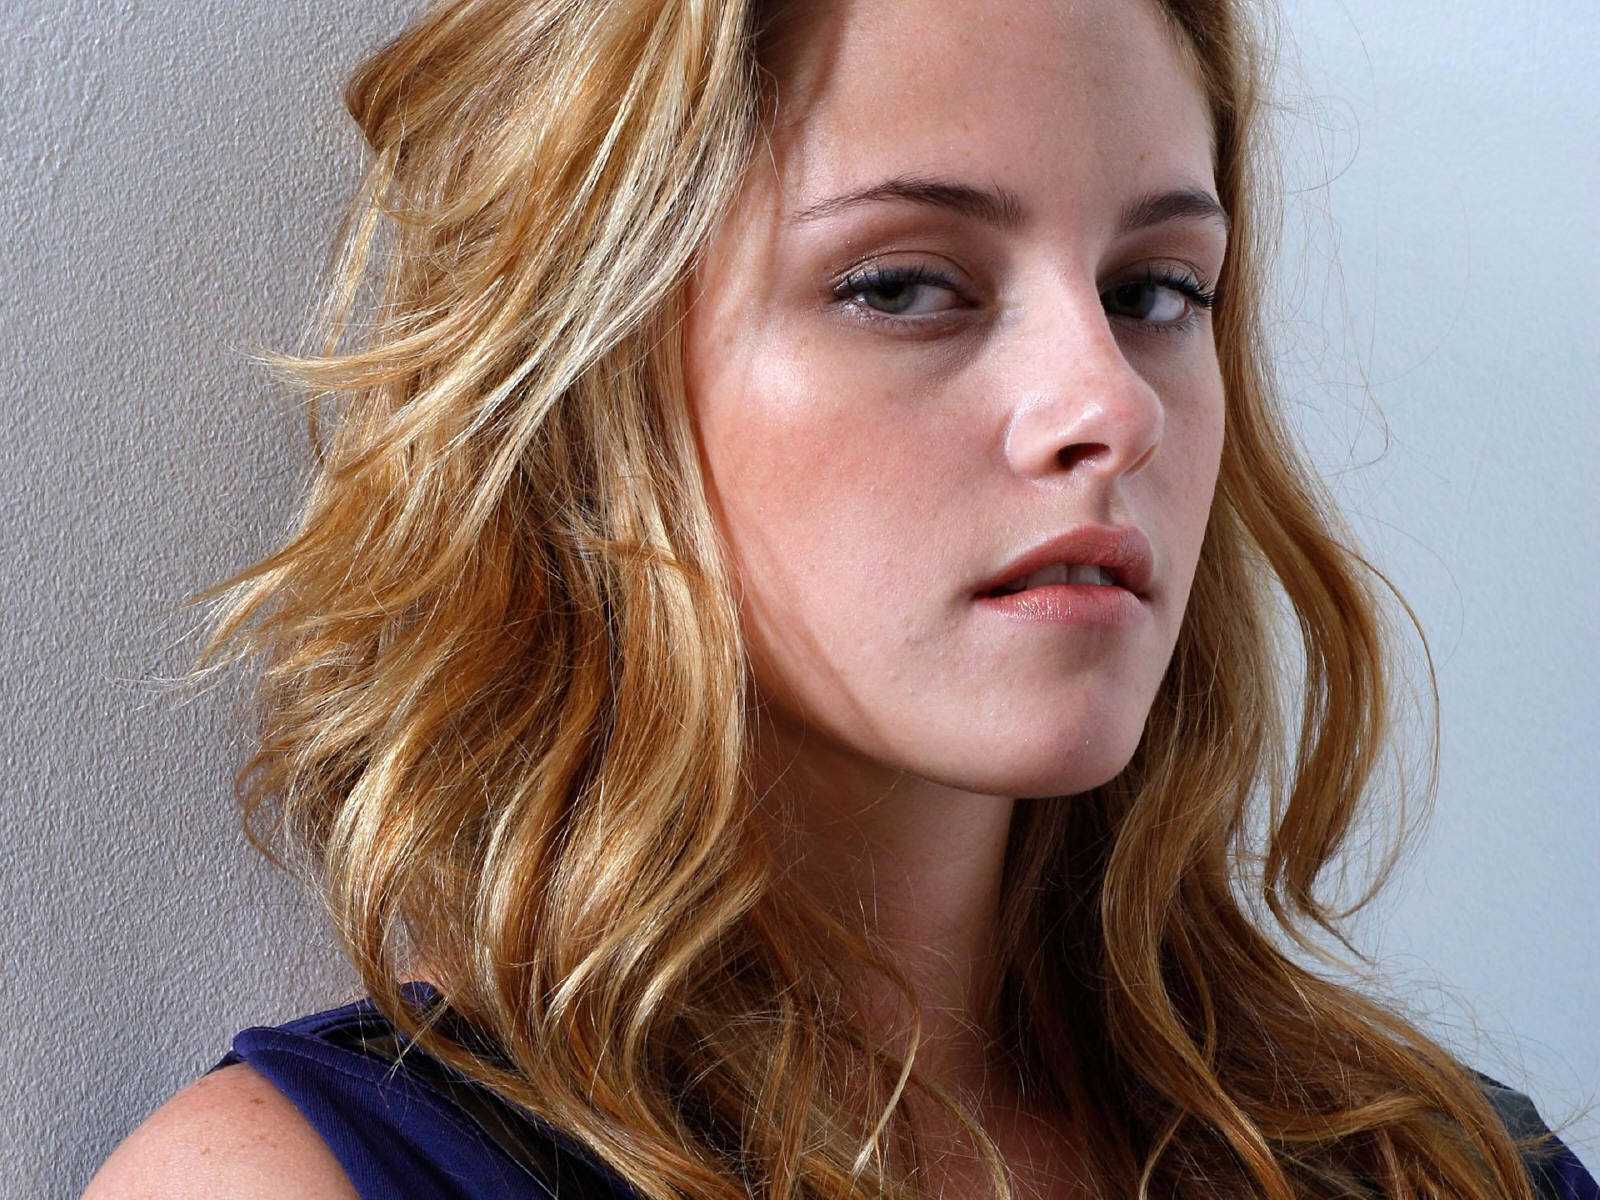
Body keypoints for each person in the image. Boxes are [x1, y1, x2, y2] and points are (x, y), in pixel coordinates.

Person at [83, 0, 1595, 1197]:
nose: (1111, 406)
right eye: (903, 284)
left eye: (1155, 291)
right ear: (589, 384)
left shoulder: (1447, 1165)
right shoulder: (307, 1182)